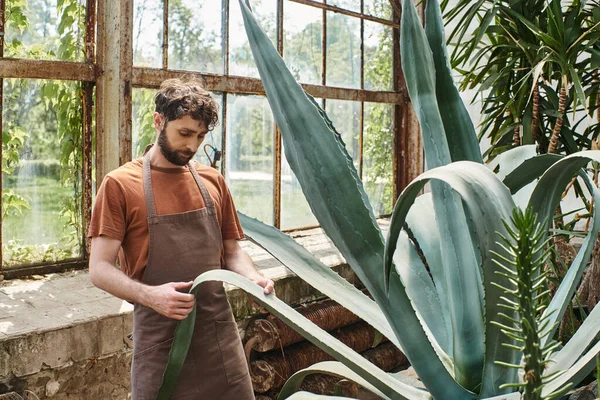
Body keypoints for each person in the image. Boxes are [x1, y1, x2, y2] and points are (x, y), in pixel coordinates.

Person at [88, 77, 274, 399]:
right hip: (161, 344)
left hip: (219, 340)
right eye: (184, 133)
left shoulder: (212, 181)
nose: (192, 145)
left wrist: (253, 278)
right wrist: (152, 296)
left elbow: (231, 251)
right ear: (159, 121)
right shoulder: (120, 185)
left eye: (200, 136)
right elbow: (99, 269)